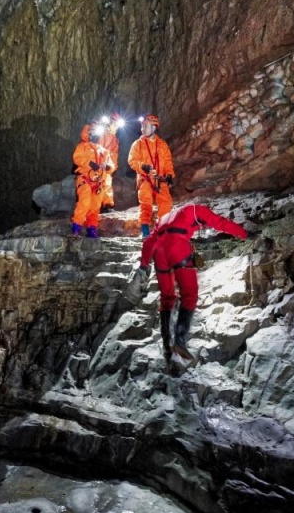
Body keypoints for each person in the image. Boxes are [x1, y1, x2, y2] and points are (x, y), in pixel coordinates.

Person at [136, 203, 248, 366]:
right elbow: (220, 222)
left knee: (167, 298)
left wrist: (144, 265)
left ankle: (167, 344)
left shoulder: (164, 219)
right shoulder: (196, 209)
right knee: (189, 295)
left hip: (159, 252)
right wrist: (244, 233)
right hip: (177, 247)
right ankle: (179, 341)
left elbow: (149, 242)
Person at [127, 114, 175, 237]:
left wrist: (169, 174)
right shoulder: (137, 144)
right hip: (145, 178)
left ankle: (163, 230)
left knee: (165, 202)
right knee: (145, 201)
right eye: (142, 126)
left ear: (154, 127)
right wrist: (143, 166)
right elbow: (132, 161)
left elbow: (168, 161)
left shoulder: (162, 144)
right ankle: (145, 231)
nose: (143, 129)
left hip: (160, 178)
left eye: (145, 126)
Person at [71, 124, 113, 238]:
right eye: (92, 133)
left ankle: (92, 229)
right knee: (84, 202)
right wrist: (90, 163)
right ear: (88, 133)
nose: (95, 135)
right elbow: (77, 158)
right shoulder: (82, 146)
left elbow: (111, 165)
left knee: (95, 207)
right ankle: (76, 227)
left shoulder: (104, 151)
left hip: (98, 183)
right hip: (85, 179)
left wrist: (108, 166)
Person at [98, 114, 121, 213]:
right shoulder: (103, 135)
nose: (116, 126)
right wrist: (100, 164)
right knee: (99, 185)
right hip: (100, 165)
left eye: (117, 124)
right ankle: (98, 206)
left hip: (108, 166)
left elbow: (114, 154)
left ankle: (107, 205)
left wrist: (113, 167)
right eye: (114, 124)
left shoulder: (115, 139)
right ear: (110, 123)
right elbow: (98, 149)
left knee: (107, 184)